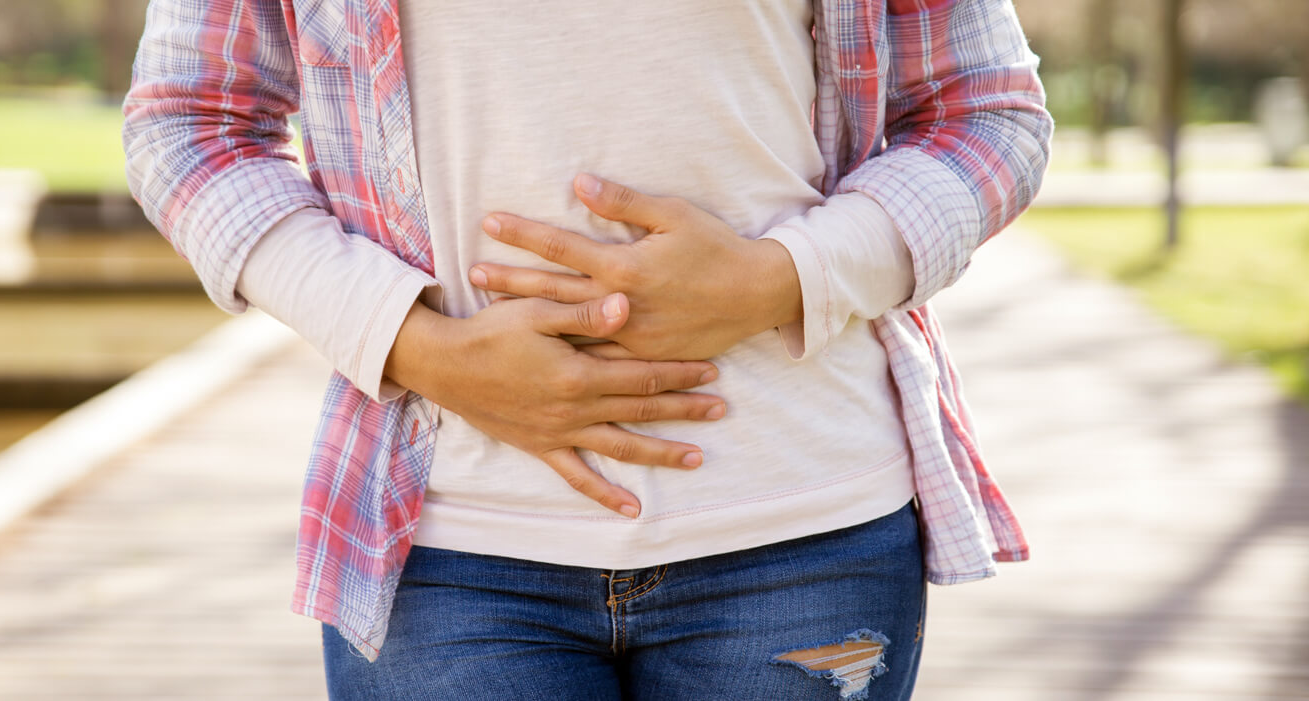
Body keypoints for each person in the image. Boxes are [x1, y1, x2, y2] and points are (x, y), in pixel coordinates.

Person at [123, 1, 1050, 698]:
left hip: (802, 536)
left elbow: (987, 113)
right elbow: (191, 126)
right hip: (446, 542)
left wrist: (782, 276)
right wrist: (418, 345)